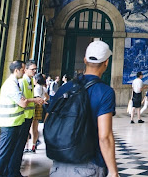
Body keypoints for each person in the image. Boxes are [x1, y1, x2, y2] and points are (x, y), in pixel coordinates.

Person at [48, 40, 119, 177]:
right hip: (88, 163)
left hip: (59, 162)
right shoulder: (105, 91)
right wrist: (113, 171)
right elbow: (104, 136)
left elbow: (49, 120)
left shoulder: (65, 87)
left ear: (85, 60)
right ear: (106, 63)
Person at [0, 61, 29, 177]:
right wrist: (24, 100)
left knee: (7, 153)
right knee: (3, 154)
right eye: (22, 70)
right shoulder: (11, 85)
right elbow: (23, 103)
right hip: (9, 124)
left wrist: (24, 100)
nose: (24, 72)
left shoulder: (15, 83)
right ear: (16, 70)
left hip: (13, 123)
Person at [10, 60, 45, 176]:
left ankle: (15, 171)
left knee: (20, 148)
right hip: (22, 118)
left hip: (28, 117)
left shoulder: (30, 81)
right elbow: (23, 100)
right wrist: (35, 100)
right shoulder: (23, 81)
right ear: (25, 70)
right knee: (17, 147)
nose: (35, 71)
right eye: (33, 69)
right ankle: (12, 171)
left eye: (35, 69)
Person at [27, 73, 49, 153]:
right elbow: (47, 97)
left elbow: (36, 98)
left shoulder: (36, 88)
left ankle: (31, 146)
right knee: (35, 127)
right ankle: (33, 145)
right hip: (40, 107)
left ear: (36, 80)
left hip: (35, 106)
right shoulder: (43, 88)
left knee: (32, 128)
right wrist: (43, 101)